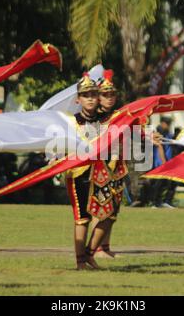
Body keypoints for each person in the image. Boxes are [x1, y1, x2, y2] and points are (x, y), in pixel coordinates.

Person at [65, 72, 113, 269]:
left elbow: (128, 128)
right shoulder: (70, 121)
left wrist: (147, 135)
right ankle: (80, 262)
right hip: (77, 175)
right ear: (79, 99)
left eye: (94, 94)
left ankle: (90, 254)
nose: (91, 98)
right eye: (86, 95)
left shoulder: (106, 120)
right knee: (82, 219)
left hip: (100, 175)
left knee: (107, 215)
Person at [93, 69, 126, 259]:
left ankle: (105, 247)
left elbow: (134, 129)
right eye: (106, 95)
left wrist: (148, 135)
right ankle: (95, 248)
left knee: (113, 210)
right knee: (101, 208)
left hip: (118, 167)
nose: (110, 98)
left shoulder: (119, 115)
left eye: (112, 94)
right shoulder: (93, 117)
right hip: (100, 168)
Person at [151, 116, 178, 209]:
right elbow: (160, 147)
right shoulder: (158, 132)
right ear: (163, 123)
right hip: (160, 162)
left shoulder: (168, 133)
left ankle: (166, 202)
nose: (169, 126)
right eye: (168, 124)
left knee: (171, 183)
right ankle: (155, 203)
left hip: (168, 161)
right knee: (159, 183)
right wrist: (163, 162)